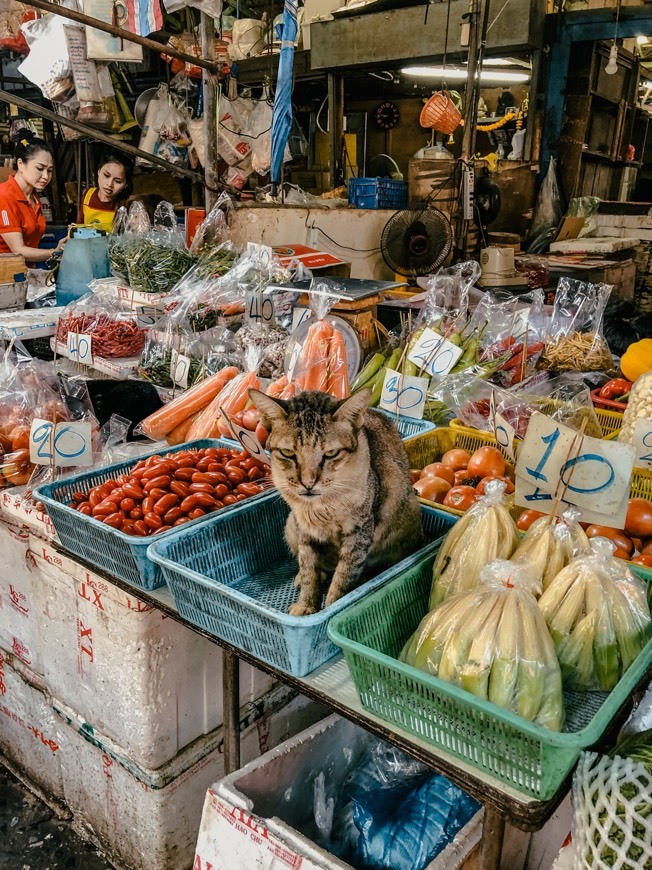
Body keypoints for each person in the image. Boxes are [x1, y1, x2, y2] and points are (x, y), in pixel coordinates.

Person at [0, 130, 64, 263]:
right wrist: (54, 252)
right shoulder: (4, 196)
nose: (46, 176)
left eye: (49, 170)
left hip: (25, 273)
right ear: (21, 164)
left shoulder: (33, 197)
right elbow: (18, 250)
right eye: (40, 169)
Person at [77, 150, 134, 231]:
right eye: (106, 175)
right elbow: (80, 224)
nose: (110, 184)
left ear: (126, 185)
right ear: (99, 171)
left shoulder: (125, 205)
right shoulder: (88, 194)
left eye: (117, 181)